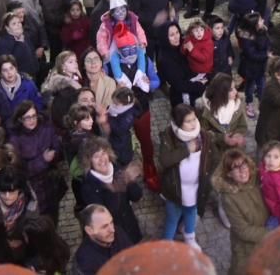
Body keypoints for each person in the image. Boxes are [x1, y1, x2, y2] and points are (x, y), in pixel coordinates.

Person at [157, 103, 219, 249]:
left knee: (192, 211)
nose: (193, 123)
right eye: (188, 121)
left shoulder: (203, 135)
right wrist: (186, 150)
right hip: (176, 189)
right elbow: (164, 160)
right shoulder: (169, 136)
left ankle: (189, 236)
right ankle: (167, 243)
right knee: (173, 217)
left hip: (196, 186)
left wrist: (207, 175)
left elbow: (214, 156)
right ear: (179, 123)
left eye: (194, 119)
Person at [78, 137, 144, 244]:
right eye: (96, 156)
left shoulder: (117, 168)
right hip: (113, 237)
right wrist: (115, 189)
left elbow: (136, 197)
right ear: (89, 162)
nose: (102, 159)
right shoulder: (88, 188)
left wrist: (131, 182)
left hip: (130, 228)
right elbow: (105, 216)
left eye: (103, 153)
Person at [7, 100, 64, 219]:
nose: (32, 120)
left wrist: (55, 153)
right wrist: (43, 160)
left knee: (53, 215)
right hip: (32, 187)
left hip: (51, 182)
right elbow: (20, 169)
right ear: (20, 119)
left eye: (34, 116)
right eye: (27, 118)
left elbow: (57, 147)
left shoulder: (47, 128)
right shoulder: (15, 139)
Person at [73, 205, 133, 275]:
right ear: (89, 230)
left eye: (111, 222)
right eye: (104, 227)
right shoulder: (84, 260)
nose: (112, 230)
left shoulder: (118, 233)